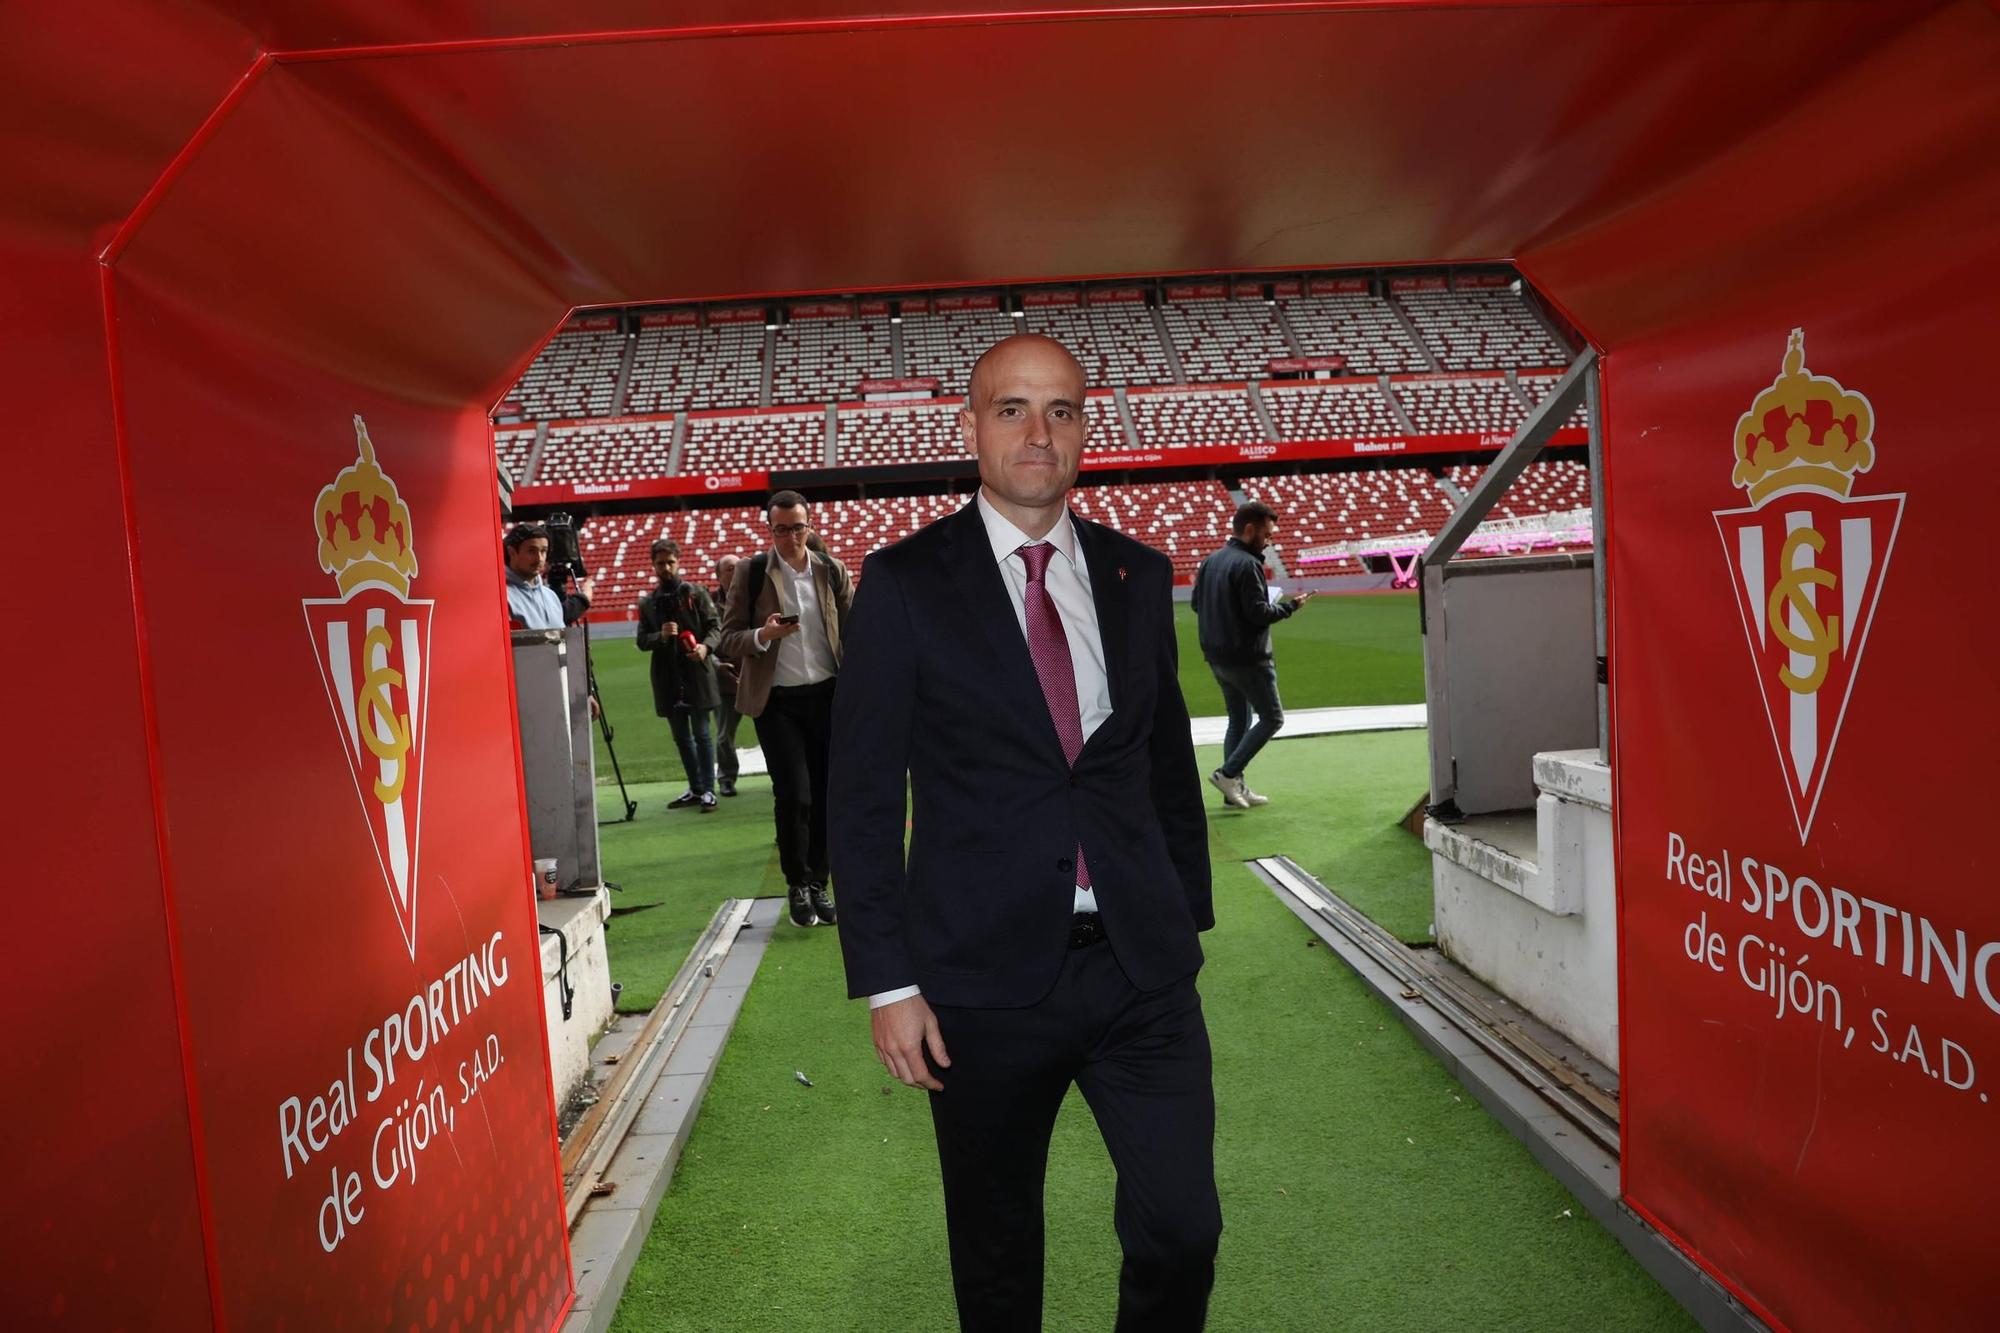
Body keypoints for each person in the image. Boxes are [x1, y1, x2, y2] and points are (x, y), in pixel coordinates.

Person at [829, 334, 1218, 1332]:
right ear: (970, 427)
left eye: (1060, 409)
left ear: (1086, 427)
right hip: (978, 981)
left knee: (1181, 1229)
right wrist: (888, 981)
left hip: (1139, 973)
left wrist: (1185, 920)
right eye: (1011, 409)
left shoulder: (1136, 574)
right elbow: (864, 796)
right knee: (998, 1258)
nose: (1037, 433)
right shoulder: (905, 582)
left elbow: (1163, 759)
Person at [719, 491, 852, 928]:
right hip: (777, 702)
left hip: (828, 696)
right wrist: (764, 635)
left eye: (797, 527)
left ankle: (819, 884)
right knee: (794, 794)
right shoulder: (752, 571)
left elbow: (856, 632)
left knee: (828, 796)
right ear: (770, 530)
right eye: (781, 529)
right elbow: (728, 637)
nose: (791, 536)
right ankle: (797, 883)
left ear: (809, 526)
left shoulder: (832, 570)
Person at [1190, 501, 1311, 809]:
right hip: (1247, 657)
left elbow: (1196, 604)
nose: (1269, 541)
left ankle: (1235, 790)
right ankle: (1228, 775)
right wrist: (1291, 607)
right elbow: (1258, 614)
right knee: (1272, 718)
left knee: (1239, 718)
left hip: (1217, 656)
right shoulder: (1247, 564)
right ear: (1249, 529)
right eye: (1267, 534)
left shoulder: (1211, 561)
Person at [636, 539, 723, 813]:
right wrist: (659, 637)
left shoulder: (696, 593)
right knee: (682, 738)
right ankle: (695, 788)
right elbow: (641, 640)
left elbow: (715, 627)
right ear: (653, 566)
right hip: (667, 678)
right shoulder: (648, 603)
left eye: (670, 562)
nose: (666, 568)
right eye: (660, 563)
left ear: (679, 562)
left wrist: (705, 647)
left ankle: (709, 789)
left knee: (702, 734)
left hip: (696, 672)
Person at [503, 522, 593, 629]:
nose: (539, 559)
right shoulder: (503, 598)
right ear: (512, 552)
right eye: (531, 551)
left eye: (543, 551)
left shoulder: (551, 596)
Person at [712, 553, 744, 798]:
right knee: (724, 736)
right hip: (725, 679)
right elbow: (704, 640)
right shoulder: (709, 604)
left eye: (739, 567)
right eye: (731, 568)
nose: (736, 572)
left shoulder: (753, 598)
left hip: (757, 678)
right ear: (719, 576)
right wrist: (716, 665)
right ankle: (726, 778)